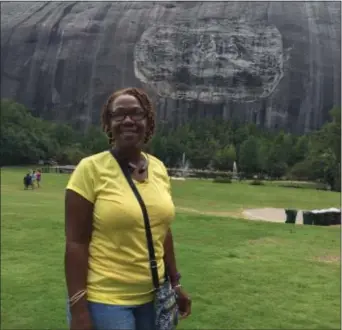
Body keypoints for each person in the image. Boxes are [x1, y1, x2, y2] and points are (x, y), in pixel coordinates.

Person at [64, 87, 191, 330]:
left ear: (148, 121)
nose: (128, 121)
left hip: (152, 298)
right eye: (119, 115)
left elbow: (162, 231)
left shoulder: (159, 169)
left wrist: (175, 283)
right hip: (106, 300)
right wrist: (79, 310)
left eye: (136, 114)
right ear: (108, 123)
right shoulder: (89, 170)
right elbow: (75, 243)